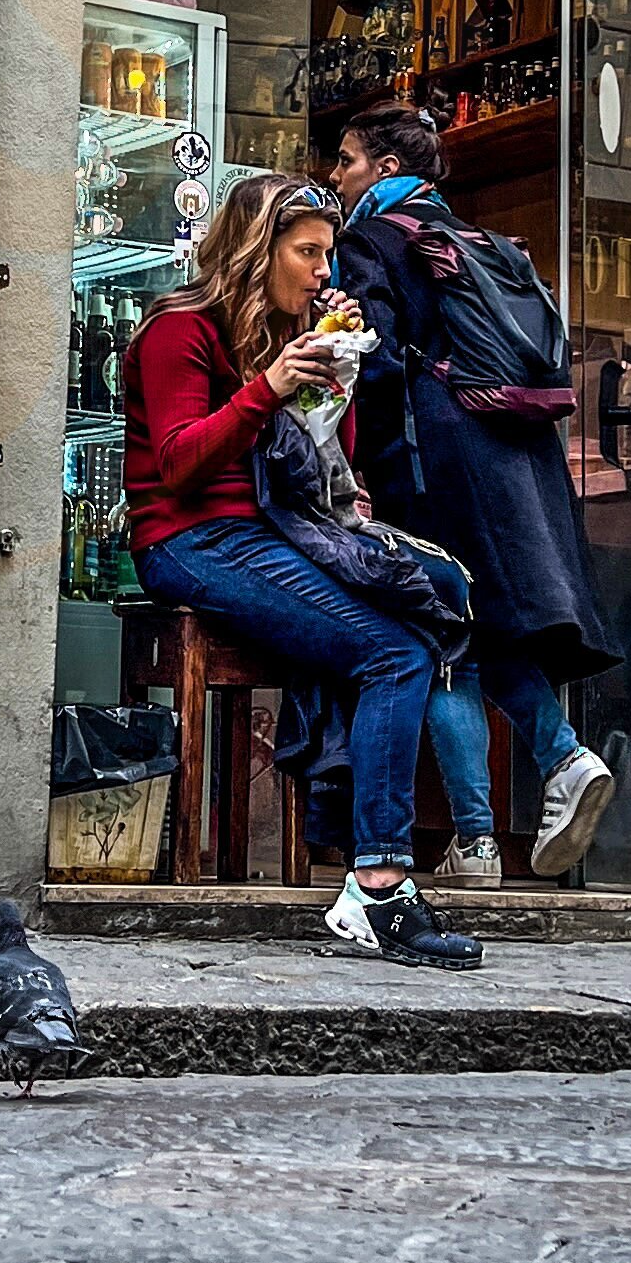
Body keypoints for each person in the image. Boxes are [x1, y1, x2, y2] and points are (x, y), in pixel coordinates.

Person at [123, 171, 481, 970]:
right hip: (189, 542)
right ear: (260, 251)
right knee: (394, 652)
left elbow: (332, 464)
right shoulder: (178, 331)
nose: (325, 272)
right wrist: (271, 385)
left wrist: (337, 375)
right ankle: (380, 889)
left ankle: (380, 876)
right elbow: (179, 463)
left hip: (269, 534)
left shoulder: (272, 336)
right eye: (309, 253)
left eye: (328, 254)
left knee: (427, 614)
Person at [329, 104, 619, 886]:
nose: (336, 174)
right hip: (516, 454)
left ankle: (493, 830)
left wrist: (355, 463)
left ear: (386, 170)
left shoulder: (370, 240)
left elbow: (374, 359)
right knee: (483, 628)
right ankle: (527, 795)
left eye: (347, 160)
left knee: (443, 635)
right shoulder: (485, 241)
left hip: (433, 455)